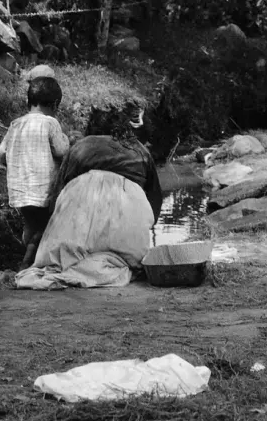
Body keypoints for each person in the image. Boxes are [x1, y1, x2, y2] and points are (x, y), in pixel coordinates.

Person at [15, 107, 164, 290]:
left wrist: (49, 231)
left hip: (80, 227)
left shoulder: (80, 147)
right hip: (127, 229)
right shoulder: (141, 152)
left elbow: (58, 196)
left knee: (66, 256)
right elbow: (155, 201)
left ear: (92, 129)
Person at [0, 75, 70, 268]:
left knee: (29, 224)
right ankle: (30, 260)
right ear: (55, 105)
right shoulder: (50, 123)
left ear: (27, 101)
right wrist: (68, 140)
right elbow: (61, 151)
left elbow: (1, 154)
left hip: (20, 190)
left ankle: (27, 256)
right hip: (44, 190)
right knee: (46, 226)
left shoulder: (15, 124)